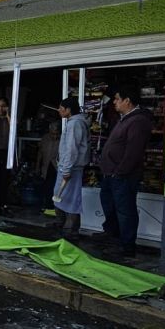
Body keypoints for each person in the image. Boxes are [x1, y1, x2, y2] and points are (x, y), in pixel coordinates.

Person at [98, 86, 152, 258]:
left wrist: (120, 172)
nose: (114, 102)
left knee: (125, 210)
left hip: (122, 176)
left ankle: (127, 246)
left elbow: (133, 152)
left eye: (116, 98)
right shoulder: (124, 119)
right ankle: (114, 239)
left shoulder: (138, 121)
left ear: (127, 100)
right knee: (111, 207)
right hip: (111, 174)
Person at [53, 97, 90, 241]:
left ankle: (71, 230)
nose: (59, 110)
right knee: (61, 196)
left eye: (61, 108)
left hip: (71, 168)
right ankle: (63, 225)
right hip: (67, 166)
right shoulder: (73, 122)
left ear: (68, 110)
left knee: (71, 198)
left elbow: (71, 149)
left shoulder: (75, 124)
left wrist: (66, 169)